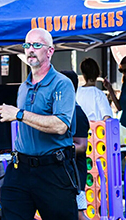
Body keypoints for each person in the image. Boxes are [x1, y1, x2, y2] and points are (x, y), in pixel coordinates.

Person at [0, 28, 78, 220]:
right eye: (27, 45)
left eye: (37, 45)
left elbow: (60, 126)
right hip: (21, 168)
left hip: (53, 169)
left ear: (50, 51)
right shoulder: (23, 86)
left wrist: (19, 114)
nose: (30, 50)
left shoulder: (62, 83)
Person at [61, 71, 90, 220]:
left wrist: (58, 149)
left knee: (78, 214)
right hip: (64, 173)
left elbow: (81, 145)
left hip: (75, 174)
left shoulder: (77, 113)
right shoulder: (63, 110)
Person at [103, 56, 126, 128]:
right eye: (121, 71)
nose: (124, 73)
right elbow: (119, 107)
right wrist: (110, 89)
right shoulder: (125, 84)